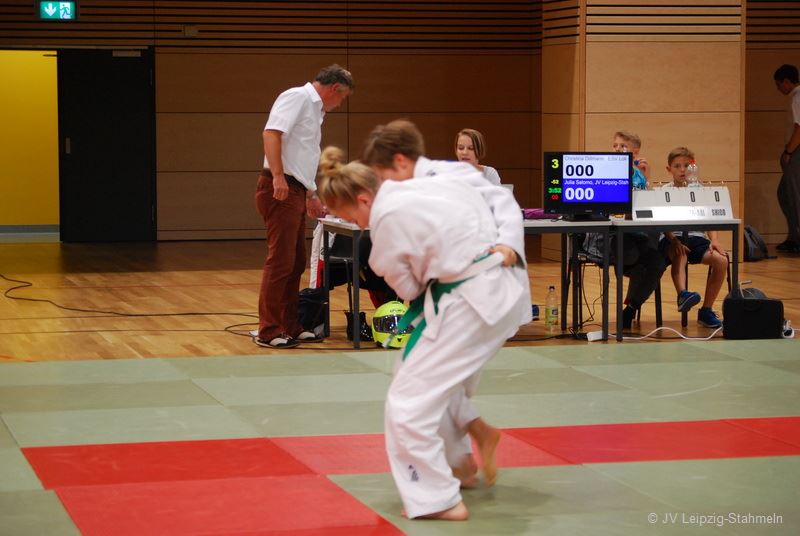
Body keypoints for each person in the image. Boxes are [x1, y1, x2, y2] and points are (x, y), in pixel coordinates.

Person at [317, 159, 526, 521]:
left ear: (364, 199)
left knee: (407, 403)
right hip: (498, 289)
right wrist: (507, 241)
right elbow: (497, 198)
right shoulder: (430, 183)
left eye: (349, 215)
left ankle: (437, 498)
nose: (354, 224)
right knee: (418, 375)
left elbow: (410, 289)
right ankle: (460, 460)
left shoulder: (386, 226)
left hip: (470, 305)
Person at [360, 119, 531, 492]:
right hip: (455, 296)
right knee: (439, 379)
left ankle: (463, 456)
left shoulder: (452, 175)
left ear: (400, 161)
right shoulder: (412, 191)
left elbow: (504, 203)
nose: (384, 183)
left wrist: (509, 242)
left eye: (383, 173)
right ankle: (466, 455)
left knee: (429, 381)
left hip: (487, 286)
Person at [254, 64, 354, 349]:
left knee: (296, 260)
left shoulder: (315, 111)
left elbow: (301, 155)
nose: (340, 104)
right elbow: (271, 133)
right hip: (281, 188)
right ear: (335, 88)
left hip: (296, 189)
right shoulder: (297, 97)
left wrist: (311, 194)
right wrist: (277, 176)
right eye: (342, 97)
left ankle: (290, 325)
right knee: (281, 261)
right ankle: (269, 330)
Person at [583, 131, 665, 329]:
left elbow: (646, 208)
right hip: (609, 237)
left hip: (635, 235)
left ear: (635, 152)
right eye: (615, 145)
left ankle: (630, 309)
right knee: (634, 255)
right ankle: (635, 270)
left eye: (623, 146)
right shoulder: (604, 171)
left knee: (657, 262)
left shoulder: (639, 175)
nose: (617, 149)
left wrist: (646, 178)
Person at [658, 147, 727, 328]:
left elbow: (711, 219)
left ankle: (706, 310)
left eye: (686, 165)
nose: (682, 170)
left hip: (696, 238)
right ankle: (683, 295)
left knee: (721, 260)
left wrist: (714, 240)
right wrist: (674, 240)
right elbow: (660, 222)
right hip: (672, 237)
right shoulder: (663, 191)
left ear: (693, 167)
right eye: (677, 166)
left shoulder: (700, 190)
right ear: (669, 169)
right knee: (680, 253)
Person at [773, 64, 800, 253]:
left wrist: (789, 152)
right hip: (794, 151)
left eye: (778, 84)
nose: (778, 89)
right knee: (784, 193)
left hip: (796, 152)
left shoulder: (798, 97)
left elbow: (799, 128)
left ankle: (797, 239)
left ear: (787, 81)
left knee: (795, 195)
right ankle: (793, 236)